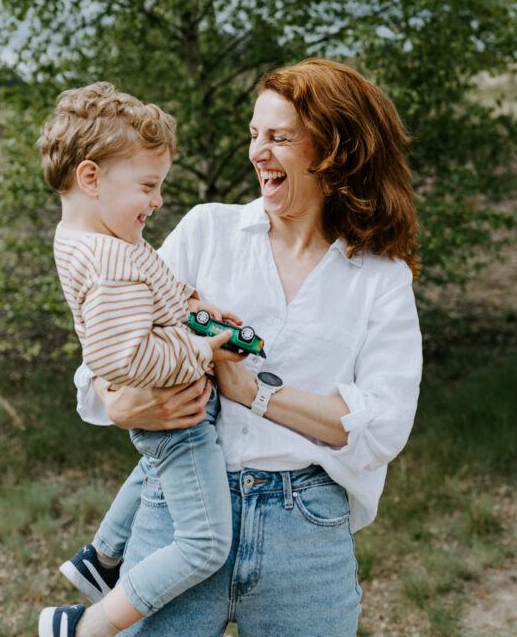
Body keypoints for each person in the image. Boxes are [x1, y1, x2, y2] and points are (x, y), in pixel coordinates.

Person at [76, 58, 423, 637]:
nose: (258, 152)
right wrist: (121, 405)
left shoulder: (380, 277)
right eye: (254, 135)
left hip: (305, 531)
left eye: (279, 138)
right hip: (178, 513)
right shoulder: (206, 231)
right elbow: (101, 367)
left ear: (335, 149)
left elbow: (382, 426)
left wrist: (252, 392)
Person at [36, 83, 245, 637]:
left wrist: (193, 308)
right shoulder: (109, 263)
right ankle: (86, 625)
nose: (157, 201)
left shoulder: (99, 237)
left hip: (170, 418)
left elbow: (152, 295)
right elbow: (124, 355)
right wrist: (202, 349)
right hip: (177, 416)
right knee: (204, 545)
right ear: (90, 178)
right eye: (149, 186)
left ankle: (101, 556)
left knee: (152, 466)